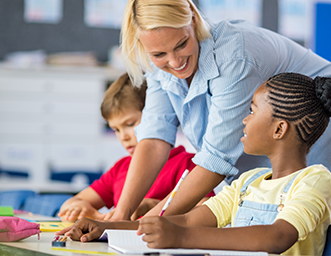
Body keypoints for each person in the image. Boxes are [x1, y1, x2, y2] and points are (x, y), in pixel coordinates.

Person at [108, 0, 331, 255]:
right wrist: (120, 219)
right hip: (283, 166)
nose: (174, 60)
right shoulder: (247, 183)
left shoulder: (235, 54)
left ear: (193, 21)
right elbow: (155, 139)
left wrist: (151, 227)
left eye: (182, 44)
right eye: (159, 55)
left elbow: (216, 159)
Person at [57, 73, 331, 256]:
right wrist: (108, 229)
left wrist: (181, 237)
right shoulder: (249, 182)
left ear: (279, 129)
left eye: (252, 111)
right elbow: (184, 219)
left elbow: (276, 237)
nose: (244, 120)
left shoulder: (314, 180)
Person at [57, 73, 214, 222]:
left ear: (156, 116)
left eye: (130, 124)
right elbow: (68, 205)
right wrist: (83, 209)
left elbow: (210, 209)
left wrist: (153, 205)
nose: (123, 136)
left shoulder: (187, 164)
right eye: (116, 129)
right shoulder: (121, 168)